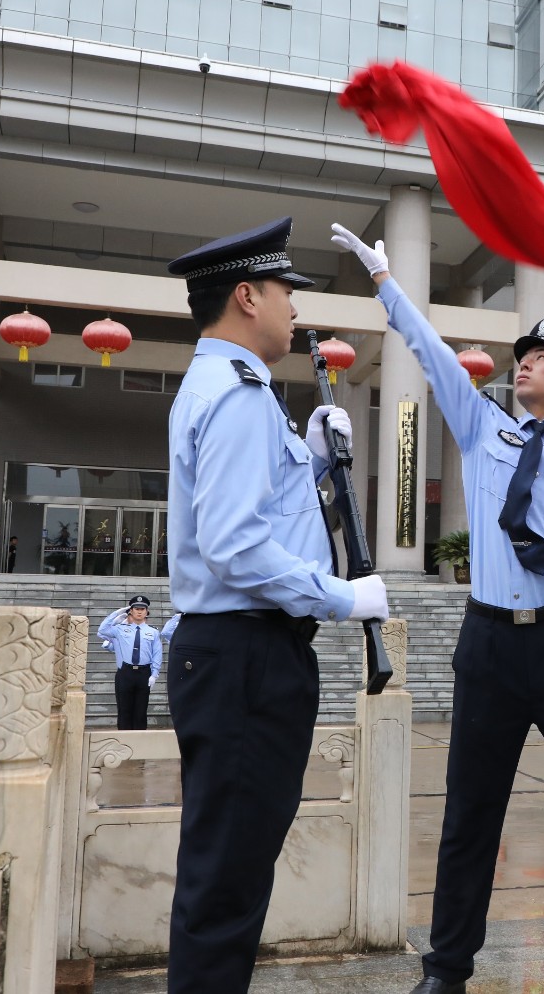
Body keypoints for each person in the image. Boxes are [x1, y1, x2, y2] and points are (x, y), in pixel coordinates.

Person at [331, 223, 544, 994]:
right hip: (487, 644)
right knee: (469, 815)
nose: (526, 364)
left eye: (543, 357)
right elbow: (432, 354)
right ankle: (446, 970)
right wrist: (387, 285)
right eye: (524, 355)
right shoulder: (484, 427)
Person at [163, 216, 388, 993]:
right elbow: (234, 546)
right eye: (288, 292)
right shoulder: (233, 395)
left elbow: (260, 518)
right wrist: (340, 598)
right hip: (243, 657)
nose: (296, 308)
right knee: (225, 881)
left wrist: (316, 461)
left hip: (245, 655)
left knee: (233, 870)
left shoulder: (241, 391)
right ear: (248, 296)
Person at [97, 595, 164, 730]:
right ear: (131, 611)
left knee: (141, 710)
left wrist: (154, 674)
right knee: (124, 709)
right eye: (136, 608)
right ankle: (124, 740)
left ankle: (140, 742)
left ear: (147, 612)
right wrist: (117, 613)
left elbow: (157, 653)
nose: (139, 611)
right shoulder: (120, 629)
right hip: (125, 672)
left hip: (144, 672)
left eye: (142, 609)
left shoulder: (153, 632)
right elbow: (102, 630)